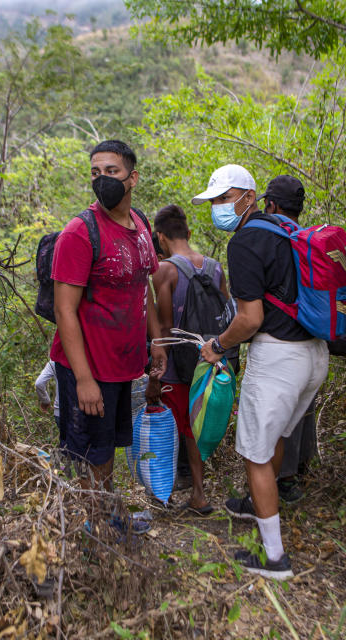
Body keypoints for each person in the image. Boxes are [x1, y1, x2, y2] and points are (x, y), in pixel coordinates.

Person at [193, 164, 328, 579]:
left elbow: (250, 319)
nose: (218, 207)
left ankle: (275, 559)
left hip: (278, 358)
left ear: (248, 197)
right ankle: (258, 505)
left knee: (254, 453)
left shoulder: (247, 241)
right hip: (314, 355)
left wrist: (216, 345)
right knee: (276, 439)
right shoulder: (285, 230)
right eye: (214, 201)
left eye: (223, 198)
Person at [50, 139, 167, 534]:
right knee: (88, 452)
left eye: (111, 172)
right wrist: (84, 378)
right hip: (89, 366)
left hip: (123, 364)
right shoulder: (80, 233)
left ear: (132, 178)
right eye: (95, 173)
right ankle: (95, 532)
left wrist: (158, 342)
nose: (102, 180)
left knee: (107, 449)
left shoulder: (141, 224)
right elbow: (65, 309)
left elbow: (143, 287)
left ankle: (109, 518)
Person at [146, 204, 231, 515]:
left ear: (160, 237)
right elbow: (226, 316)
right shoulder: (216, 267)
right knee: (195, 428)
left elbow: (165, 326)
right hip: (208, 360)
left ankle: (163, 497)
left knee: (169, 427)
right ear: (189, 233)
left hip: (175, 364)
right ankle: (199, 494)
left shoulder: (165, 270)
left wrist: (155, 373)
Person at [260, 175, 318, 503]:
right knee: (300, 410)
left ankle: (276, 484)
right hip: (314, 340)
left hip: (283, 343)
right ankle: (295, 474)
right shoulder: (308, 241)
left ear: (272, 205)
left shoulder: (271, 240)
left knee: (277, 419)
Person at [34, 359, 62, 443]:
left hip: (60, 412)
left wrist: (45, 401)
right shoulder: (84, 356)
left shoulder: (55, 360)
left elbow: (39, 383)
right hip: (82, 410)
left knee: (67, 445)